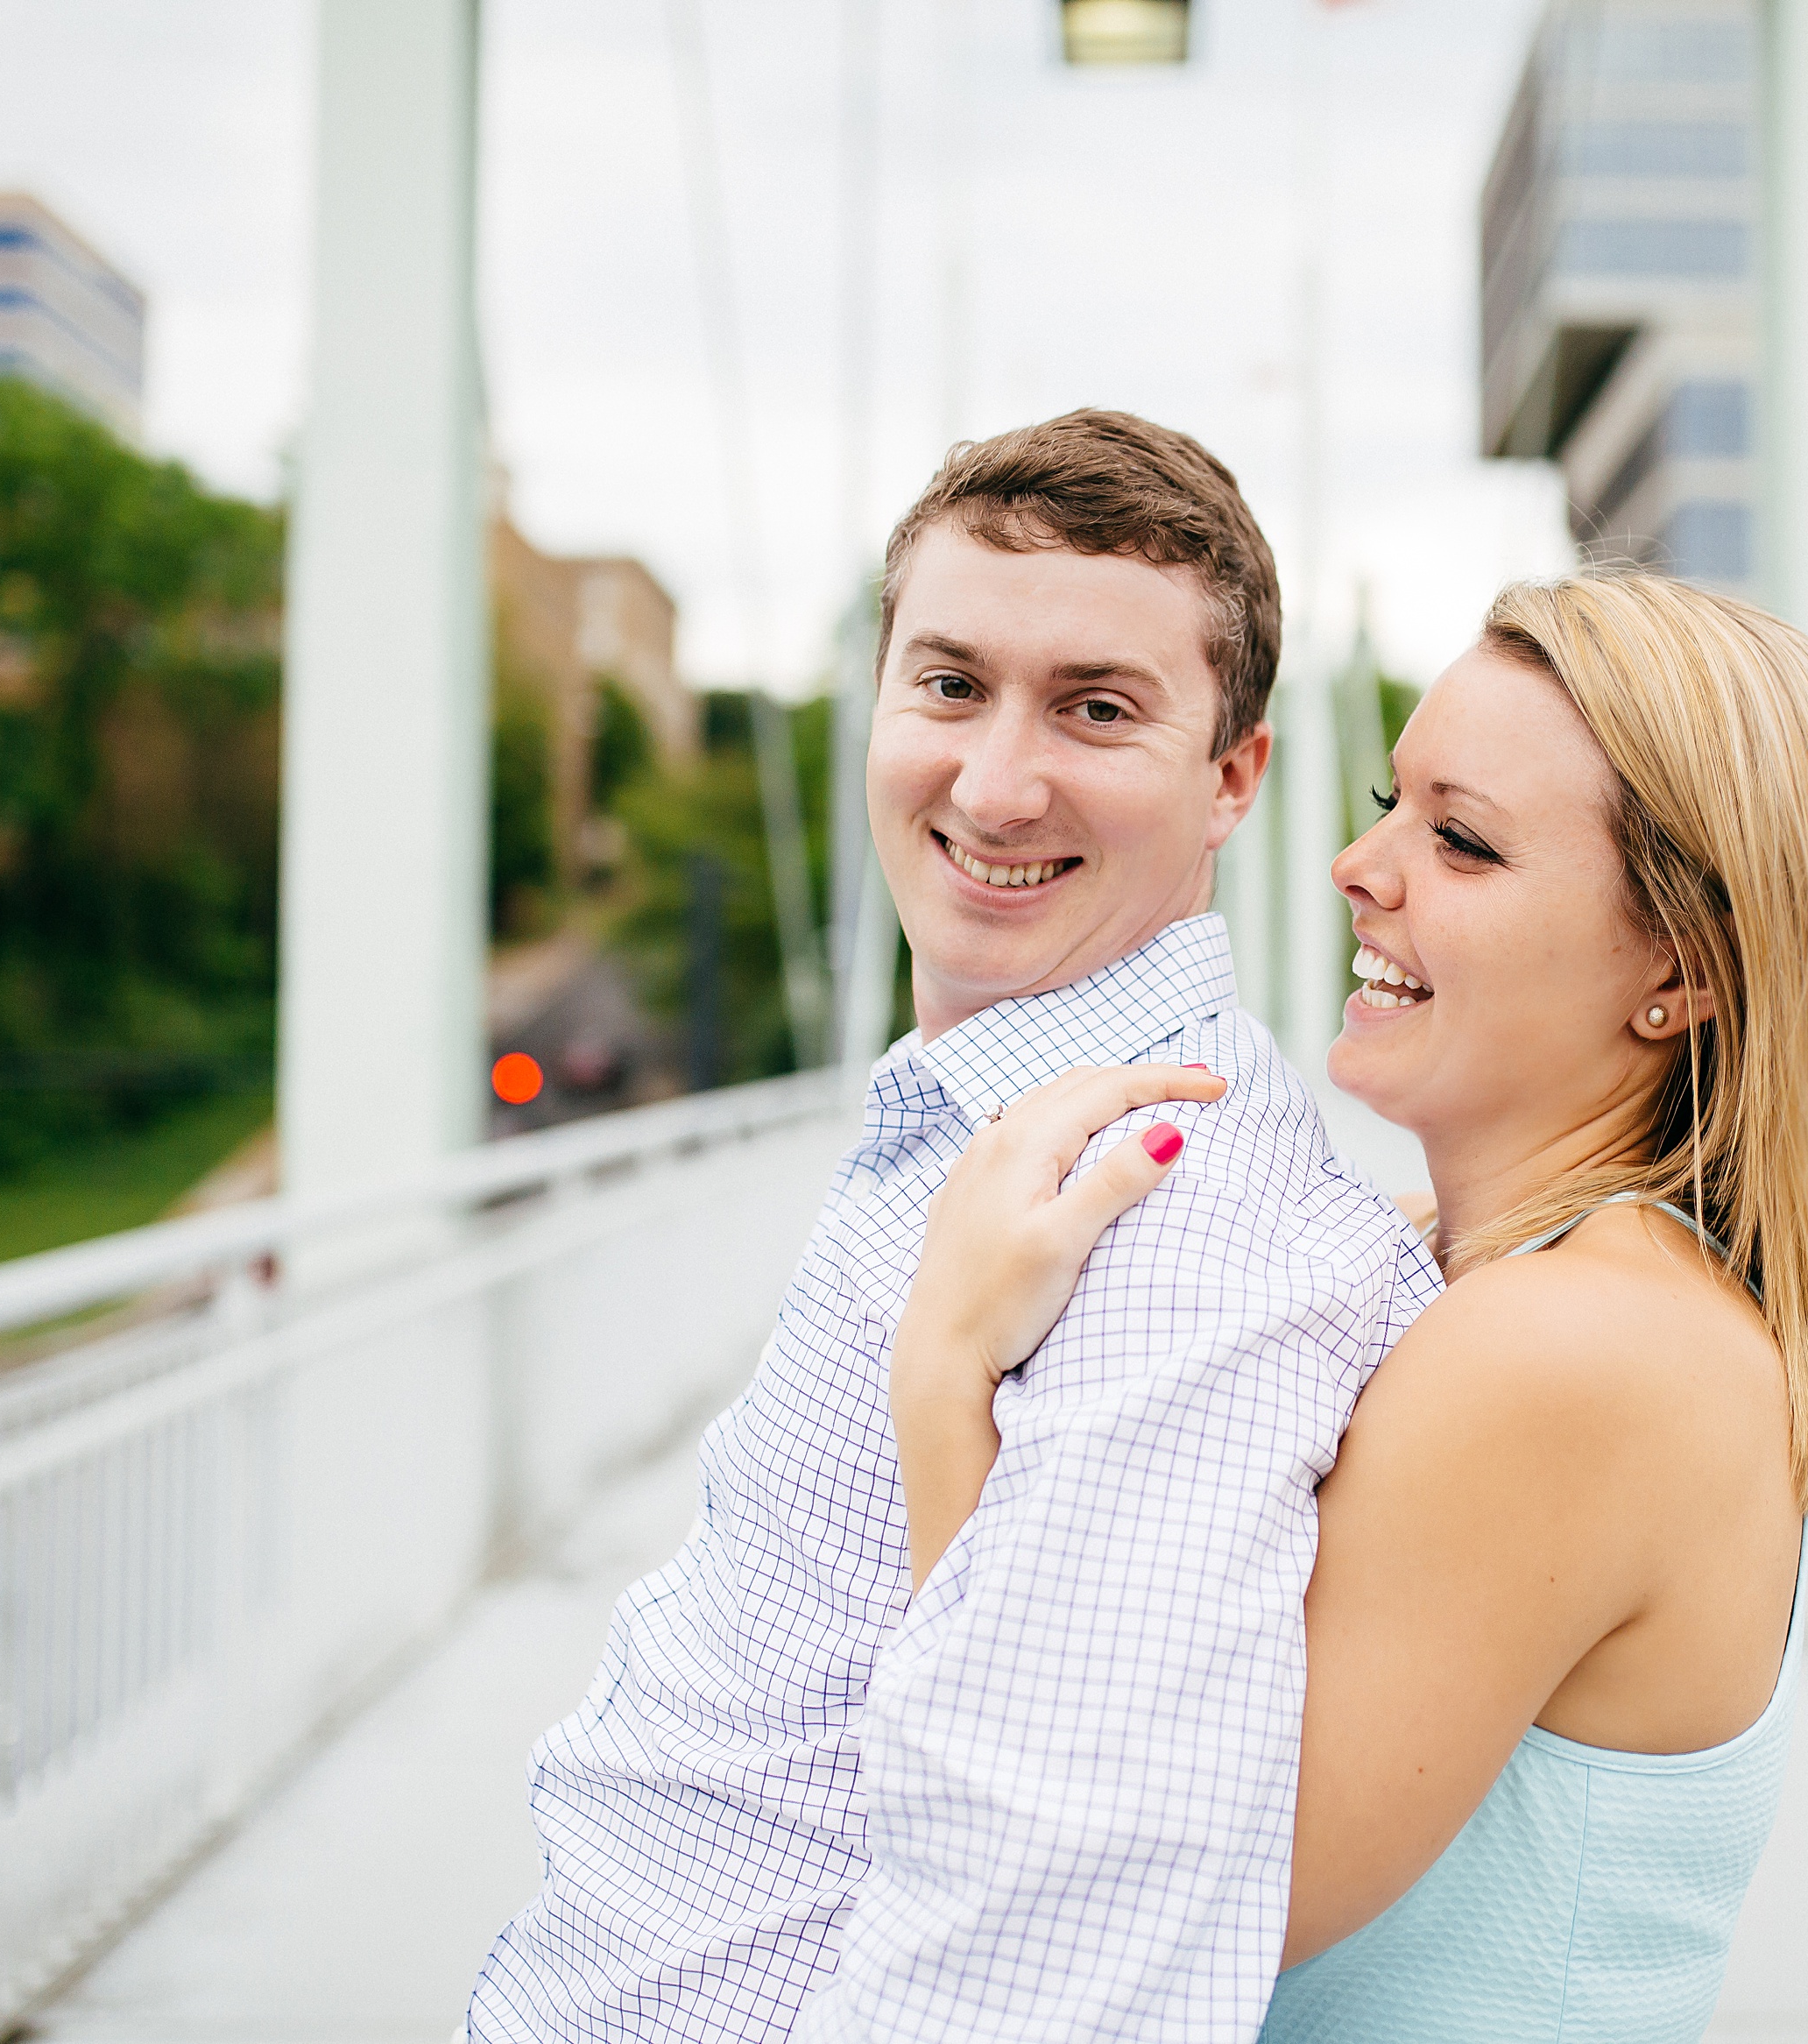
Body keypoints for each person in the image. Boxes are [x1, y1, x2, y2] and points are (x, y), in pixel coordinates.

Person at [465, 411, 1440, 2043]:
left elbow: (1045, 1970)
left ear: (1234, 778)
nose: (994, 783)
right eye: (947, 683)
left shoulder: (1169, 1230)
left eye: (1097, 710)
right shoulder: (982, 1137)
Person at [890, 569, 1808, 2040]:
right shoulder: (1482, 1274)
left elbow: (1105, 1894)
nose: (1359, 864)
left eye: (1462, 840)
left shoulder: (1574, 1347)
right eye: (1393, 800)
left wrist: (942, 1368)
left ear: (1679, 971)